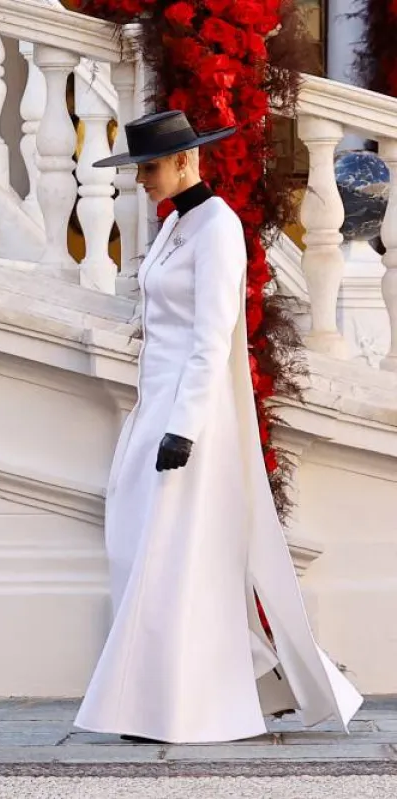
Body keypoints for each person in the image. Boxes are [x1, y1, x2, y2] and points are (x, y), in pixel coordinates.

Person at [74, 110, 363, 744]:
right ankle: (229, 682)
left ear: (185, 161)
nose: (141, 180)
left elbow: (211, 338)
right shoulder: (180, 224)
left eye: (148, 167)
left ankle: (169, 705)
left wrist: (184, 426)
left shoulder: (218, 228)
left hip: (190, 416)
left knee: (173, 556)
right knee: (133, 543)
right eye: (138, 169)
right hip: (154, 407)